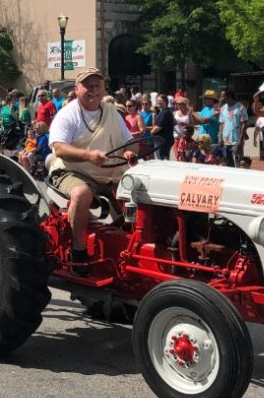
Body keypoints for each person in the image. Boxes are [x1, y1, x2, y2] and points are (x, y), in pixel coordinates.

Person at [48, 68, 136, 276]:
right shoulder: (67, 114)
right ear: (77, 88)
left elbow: (130, 141)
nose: (93, 90)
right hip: (72, 170)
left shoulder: (111, 112)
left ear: (104, 88)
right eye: (87, 85)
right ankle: (78, 251)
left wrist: (131, 152)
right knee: (81, 194)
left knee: (140, 191)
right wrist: (88, 156)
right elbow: (59, 148)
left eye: (97, 85)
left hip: (110, 172)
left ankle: (131, 244)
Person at [218, 89, 248, 168]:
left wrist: (241, 140)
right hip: (225, 143)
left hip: (236, 142)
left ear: (228, 96)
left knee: (238, 165)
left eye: (222, 96)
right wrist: (220, 138)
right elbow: (221, 124)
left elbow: (244, 124)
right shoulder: (222, 108)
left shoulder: (240, 107)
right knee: (228, 165)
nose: (220, 98)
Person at [150, 94, 174, 160]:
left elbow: (158, 127)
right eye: (158, 100)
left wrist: (151, 132)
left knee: (162, 160)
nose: (159, 102)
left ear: (166, 102)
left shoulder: (166, 112)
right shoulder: (161, 112)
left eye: (161, 100)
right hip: (160, 140)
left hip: (163, 141)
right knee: (160, 158)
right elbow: (155, 125)